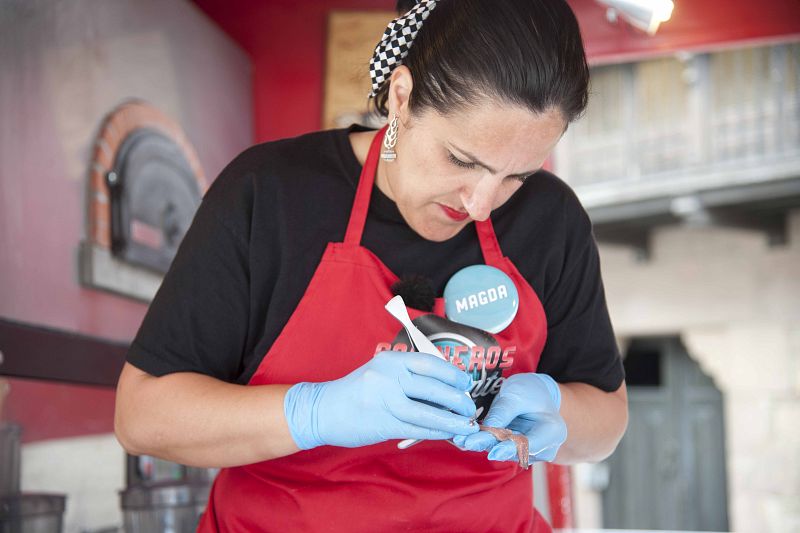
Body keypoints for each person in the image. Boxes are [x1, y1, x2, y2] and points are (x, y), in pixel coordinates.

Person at [114, 0, 628, 531]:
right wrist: (315, 411)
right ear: (401, 97)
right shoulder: (269, 195)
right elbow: (142, 416)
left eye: (517, 176)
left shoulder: (551, 221)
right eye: (461, 160)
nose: (480, 204)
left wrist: (557, 411)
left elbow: (606, 421)